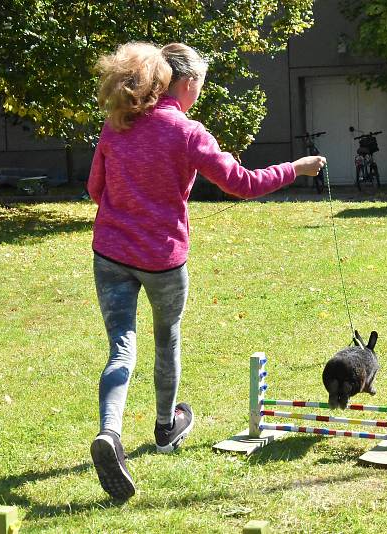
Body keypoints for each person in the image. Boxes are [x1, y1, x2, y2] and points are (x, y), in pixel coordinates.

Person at [87, 42, 325, 501]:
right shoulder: (188, 131)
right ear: (188, 83)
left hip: (111, 254)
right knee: (166, 337)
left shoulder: (116, 123)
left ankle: (109, 433)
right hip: (163, 259)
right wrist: (294, 168)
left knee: (121, 348)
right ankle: (164, 427)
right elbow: (241, 184)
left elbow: (96, 189)